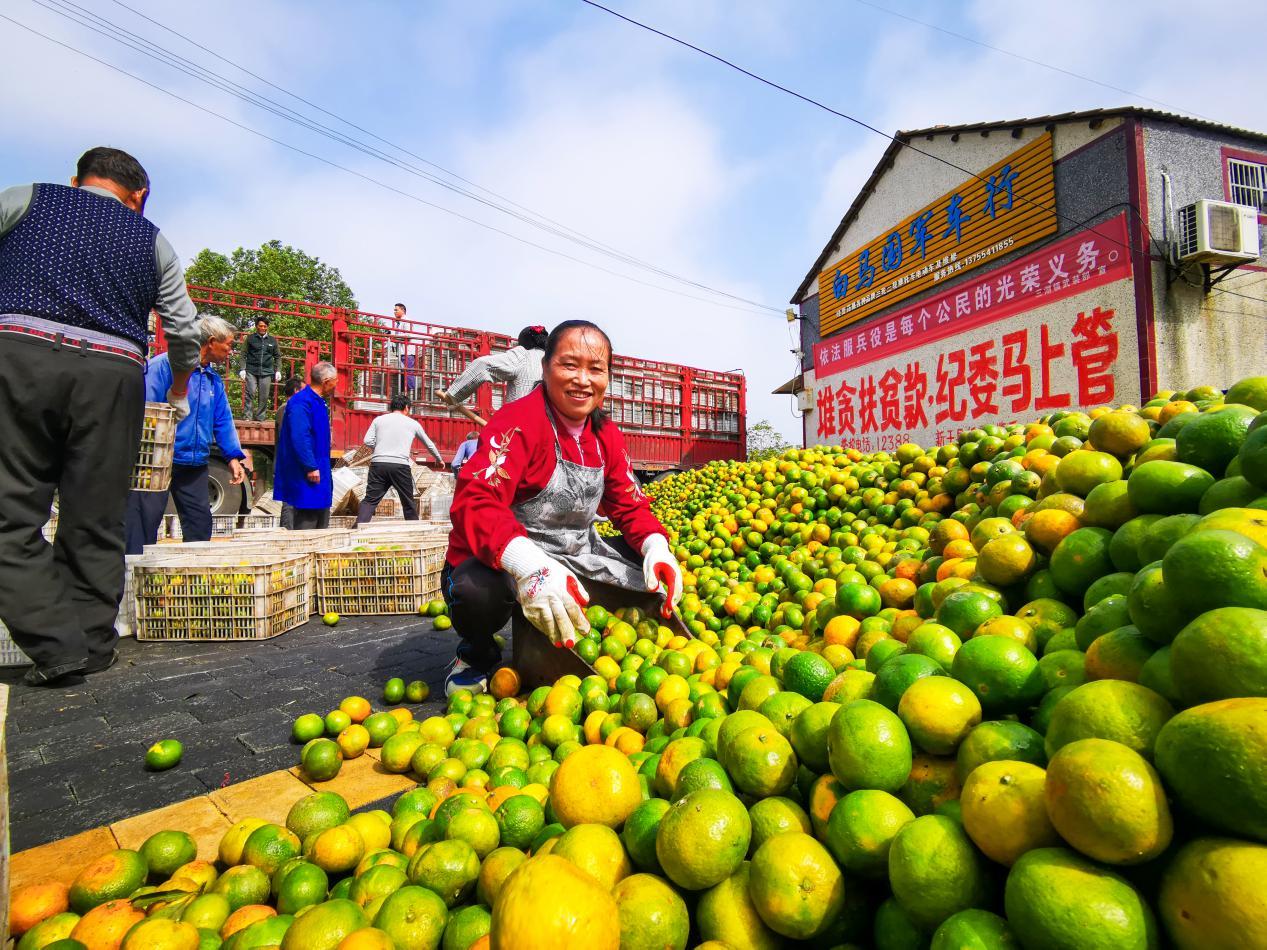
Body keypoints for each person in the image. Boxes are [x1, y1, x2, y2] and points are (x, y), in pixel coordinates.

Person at [0, 146, 201, 687]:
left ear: (77, 180)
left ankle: (54, 642)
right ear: (138, 197)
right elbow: (183, 330)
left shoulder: (24, 201)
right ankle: (90, 644)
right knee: (95, 516)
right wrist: (179, 388)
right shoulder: (151, 238)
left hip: (19, 357)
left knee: (8, 513)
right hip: (113, 376)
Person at [442, 320, 682, 694]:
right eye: (569, 365)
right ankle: (476, 652)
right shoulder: (518, 422)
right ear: (545, 368)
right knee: (476, 591)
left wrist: (655, 545)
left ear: (607, 377)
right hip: (507, 557)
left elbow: (628, 503)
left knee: (646, 563)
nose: (582, 380)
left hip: (572, 555)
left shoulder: (606, 436)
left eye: (595, 369)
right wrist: (528, 565)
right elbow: (476, 501)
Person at [125, 316, 247, 552]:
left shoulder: (213, 380)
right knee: (142, 522)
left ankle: (195, 579)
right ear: (211, 342)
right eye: (229, 344)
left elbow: (222, 420)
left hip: (194, 464)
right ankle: (135, 576)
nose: (231, 351)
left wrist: (232, 457)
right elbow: (147, 409)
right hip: (157, 462)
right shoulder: (164, 367)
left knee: (200, 525)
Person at [352, 393, 445, 523]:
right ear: (406, 407)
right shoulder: (413, 423)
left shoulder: (378, 420)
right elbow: (428, 443)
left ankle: (358, 529)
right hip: (400, 466)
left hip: (378, 464)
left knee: (370, 500)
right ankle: (413, 531)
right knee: (408, 502)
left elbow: (367, 440)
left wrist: (379, 448)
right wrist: (439, 459)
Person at [437, 324, 549, 427]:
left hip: (520, 430)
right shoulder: (554, 360)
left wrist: (453, 395)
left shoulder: (524, 356)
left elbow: (483, 365)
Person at [274, 361, 337, 529]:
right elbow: (300, 436)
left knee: (321, 516)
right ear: (326, 381)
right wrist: (310, 466)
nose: (335, 386)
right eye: (335, 381)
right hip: (307, 472)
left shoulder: (318, 401)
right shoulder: (301, 402)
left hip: (320, 468)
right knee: (307, 518)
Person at [274, 375, 304, 530]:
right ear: (297, 390)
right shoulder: (287, 408)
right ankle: (286, 531)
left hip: (289, 460)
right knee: (290, 501)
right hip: (290, 461)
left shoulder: (285, 408)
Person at [239, 317, 281, 421]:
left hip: (266, 372)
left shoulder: (272, 340)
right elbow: (243, 354)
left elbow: (277, 356)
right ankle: (247, 416)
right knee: (250, 393)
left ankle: (260, 417)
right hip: (251, 370)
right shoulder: (250, 338)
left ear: (267, 327)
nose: (263, 328)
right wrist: (242, 368)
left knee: (264, 396)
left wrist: (278, 370)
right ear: (257, 326)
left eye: (265, 326)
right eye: (260, 326)